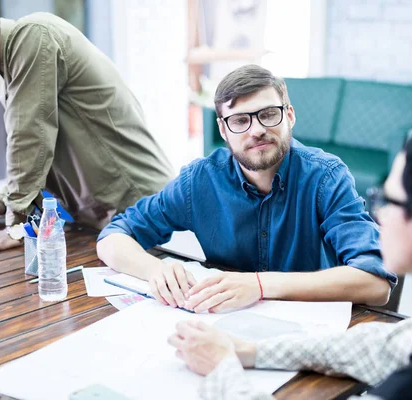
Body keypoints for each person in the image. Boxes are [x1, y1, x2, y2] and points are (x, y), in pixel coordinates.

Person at [168, 125, 412, 399]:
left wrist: (222, 369)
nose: (378, 215)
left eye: (389, 201)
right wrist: (248, 352)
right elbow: (386, 344)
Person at [97, 64, 395, 313]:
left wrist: (260, 285)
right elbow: (113, 237)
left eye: (268, 114)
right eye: (240, 120)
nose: (256, 130)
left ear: (289, 115)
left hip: (307, 325)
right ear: (223, 130)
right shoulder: (200, 181)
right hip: (224, 324)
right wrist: (154, 270)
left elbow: (375, 283)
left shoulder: (326, 177)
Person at [0, 0, 174, 256]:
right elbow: (40, 149)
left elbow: (29, 138)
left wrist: (15, 226)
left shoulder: (34, 36)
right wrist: (4, 198)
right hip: (101, 220)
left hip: (141, 207)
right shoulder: (1, 76)